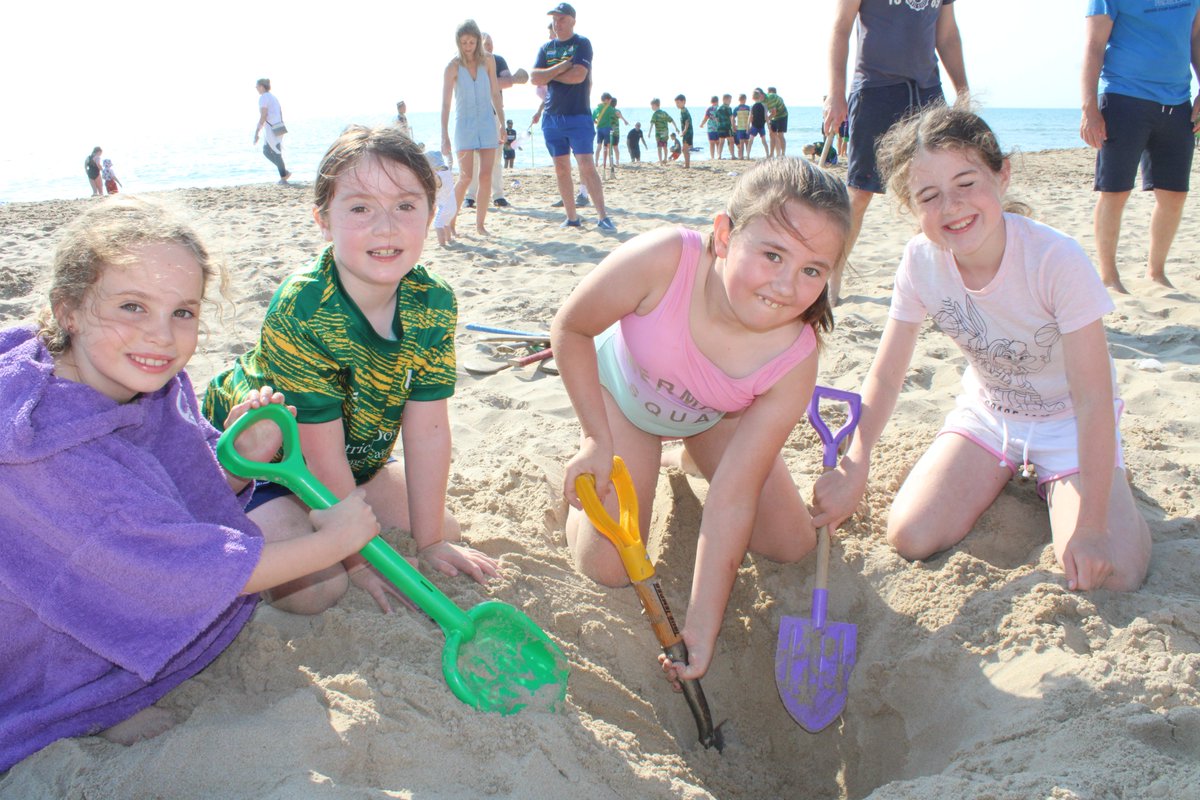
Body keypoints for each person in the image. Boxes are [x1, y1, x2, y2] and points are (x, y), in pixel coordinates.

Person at [0, 196, 381, 772]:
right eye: (132, 306)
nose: (160, 336)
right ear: (68, 310)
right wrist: (336, 542)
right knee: (306, 565)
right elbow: (171, 568)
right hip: (40, 638)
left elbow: (165, 494)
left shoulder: (137, 378)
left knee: (298, 556)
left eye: (183, 312)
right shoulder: (48, 448)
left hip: (116, 567)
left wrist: (234, 465)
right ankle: (99, 698)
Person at [812, 104, 1151, 595]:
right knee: (910, 535)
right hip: (990, 415)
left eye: (966, 183)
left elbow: (1094, 400)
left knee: (1112, 575)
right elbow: (886, 376)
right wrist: (856, 464)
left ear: (1002, 175)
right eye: (929, 195)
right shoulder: (920, 262)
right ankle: (1018, 472)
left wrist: (1095, 529)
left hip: (1070, 423)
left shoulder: (1055, 260)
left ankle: (1097, 488)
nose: (951, 206)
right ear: (911, 206)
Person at [552, 157, 850, 684]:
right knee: (609, 567)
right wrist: (597, 438)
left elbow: (733, 496)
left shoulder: (796, 356)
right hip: (623, 401)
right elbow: (571, 328)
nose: (785, 285)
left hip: (712, 417)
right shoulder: (666, 258)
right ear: (724, 234)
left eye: (811, 270)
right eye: (773, 254)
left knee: (791, 542)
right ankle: (583, 482)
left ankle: (687, 457)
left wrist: (700, 626)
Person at [204, 125, 499, 616]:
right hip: (270, 468)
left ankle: (356, 518)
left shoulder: (433, 301)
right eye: (361, 207)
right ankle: (233, 522)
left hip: (351, 459)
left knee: (443, 530)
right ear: (323, 220)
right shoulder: (305, 307)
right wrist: (359, 561)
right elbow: (318, 454)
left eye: (406, 205)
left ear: (432, 213)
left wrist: (427, 546)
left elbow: (427, 429)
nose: (386, 227)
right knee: (320, 590)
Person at [824, 0, 968, 304]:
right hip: (875, 89)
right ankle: (831, 278)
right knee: (860, 192)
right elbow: (840, 28)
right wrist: (836, 94)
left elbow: (947, 36)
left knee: (936, 191)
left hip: (927, 91)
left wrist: (963, 92)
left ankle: (936, 281)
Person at [1081, 0, 1200, 293]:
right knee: (1114, 191)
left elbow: (1195, 37)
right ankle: (1109, 277)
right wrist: (1089, 107)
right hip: (1124, 98)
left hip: (1177, 103)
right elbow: (1094, 45)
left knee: (1174, 195)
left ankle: (1156, 272)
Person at [531, 3, 615, 231]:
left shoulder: (582, 43)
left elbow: (579, 75)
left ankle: (602, 216)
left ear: (572, 21)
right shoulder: (546, 48)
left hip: (578, 116)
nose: (557, 23)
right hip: (552, 118)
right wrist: (560, 68)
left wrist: (549, 75)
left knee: (586, 165)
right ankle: (572, 218)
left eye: (562, 19)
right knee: (560, 168)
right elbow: (534, 77)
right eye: (555, 19)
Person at [441, 19, 504, 235]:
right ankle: (450, 221)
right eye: (464, 42)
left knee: (486, 175)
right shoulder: (452, 67)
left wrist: (503, 124)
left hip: (487, 123)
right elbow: (446, 103)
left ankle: (480, 225)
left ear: (478, 41)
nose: (468, 47)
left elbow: (495, 93)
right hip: (464, 126)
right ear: (458, 43)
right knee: (466, 176)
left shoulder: (489, 61)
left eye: (472, 42)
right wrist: (444, 136)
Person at [465, 33, 529, 209]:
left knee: (495, 157)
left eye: (492, 44)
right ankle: (470, 196)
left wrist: (501, 81)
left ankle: (498, 195)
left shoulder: (499, 60)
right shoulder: (470, 62)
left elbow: (507, 82)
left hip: (494, 114)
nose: (490, 47)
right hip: (472, 114)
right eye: (487, 44)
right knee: (474, 158)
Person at [254, 78, 291, 185]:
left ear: (261, 86)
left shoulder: (263, 98)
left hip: (272, 128)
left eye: (257, 86)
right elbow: (279, 112)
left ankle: (283, 178)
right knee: (266, 150)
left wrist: (257, 132)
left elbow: (263, 115)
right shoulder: (273, 97)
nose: (256, 88)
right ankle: (284, 172)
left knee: (276, 152)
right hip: (278, 126)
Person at [425, 147, 457, 246]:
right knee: (446, 223)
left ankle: (442, 243)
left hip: (444, 206)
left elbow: (437, 185)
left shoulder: (437, 176)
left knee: (438, 224)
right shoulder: (447, 172)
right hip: (453, 204)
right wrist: (450, 154)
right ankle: (449, 239)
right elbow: (450, 161)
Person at [593, 92, 617, 172]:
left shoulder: (597, 108)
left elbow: (593, 120)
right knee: (608, 147)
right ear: (607, 100)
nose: (610, 101)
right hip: (607, 129)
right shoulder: (610, 108)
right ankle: (609, 163)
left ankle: (596, 162)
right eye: (610, 100)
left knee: (599, 146)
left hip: (599, 129)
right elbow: (615, 116)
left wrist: (598, 123)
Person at [649, 98, 677, 163]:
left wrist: (649, 132)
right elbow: (671, 120)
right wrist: (676, 127)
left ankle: (661, 161)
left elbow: (652, 124)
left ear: (655, 105)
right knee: (665, 146)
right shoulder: (664, 113)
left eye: (652, 106)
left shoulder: (655, 114)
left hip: (658, 134)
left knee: (659, 147)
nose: (651, 107)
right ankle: (665, 159)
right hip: (665, 133)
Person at [765, 87, 788, 157]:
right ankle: (772, 153)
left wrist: (766, 120)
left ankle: (783, 154)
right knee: (771, 134)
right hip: (774, 117)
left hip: (782, 116)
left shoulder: (777, 98)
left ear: (771, 92)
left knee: (780, 135)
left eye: (768, 92)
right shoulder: (769, 100)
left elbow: (774, 112)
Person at [747, 89, 769, 158]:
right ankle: (767, 154)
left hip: (754, 126)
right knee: (764, 141)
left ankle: (748, 155)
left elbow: (750, 117)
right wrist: (768, 125)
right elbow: (766, 116)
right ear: (760, 97)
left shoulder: (752, 106)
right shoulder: (764, 105)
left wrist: (748, 126)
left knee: (750, 141)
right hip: (761, 126)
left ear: (753, 98)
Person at [675, 94, 694, 168]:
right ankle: (687, 164)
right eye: (676, 103)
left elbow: (687, 121)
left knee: (685, 149)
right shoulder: (682, 110)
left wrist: (685, 130)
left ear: (684, 102)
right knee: (684, 149)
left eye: (678, 103)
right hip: (687, 132)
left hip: (688, 132)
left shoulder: (684, 111)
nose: (677, 105)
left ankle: (687, 165)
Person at [717, 94, 736, 159]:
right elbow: (731, 117)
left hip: (720, 127)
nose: (730, 102)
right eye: (729, 100)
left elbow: (716, 119)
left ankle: (719, 155)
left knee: (721, 142)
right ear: (724, 100)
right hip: (727, 127)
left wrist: (718, 125)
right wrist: (733, 126)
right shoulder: (728, 108)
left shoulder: (718, 108)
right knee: (731, 141)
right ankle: (732, 155)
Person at [734, 93, 752, 159]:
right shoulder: (748, 108)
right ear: (745, 99)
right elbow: (751, 117)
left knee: (741, 142)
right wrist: (751, 125)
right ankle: (747, 156)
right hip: (746, 127)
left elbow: (733, 117)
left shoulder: (737, 108)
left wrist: (733, 125)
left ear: (739, 99)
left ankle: (741, 156)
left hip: (740, 127)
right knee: (747, 142)